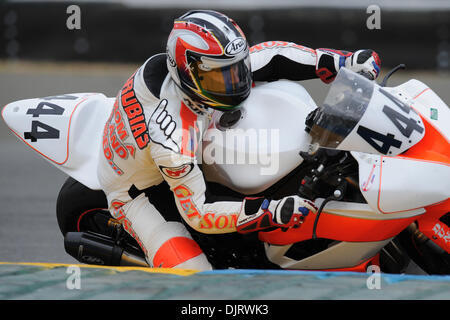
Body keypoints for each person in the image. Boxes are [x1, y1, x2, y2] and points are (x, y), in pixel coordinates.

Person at [97, 9, 381, 270]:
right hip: (140, 191)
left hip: (190, 146)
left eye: (237, 69)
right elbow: (199, 211)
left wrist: (341, 61)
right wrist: (269, 211)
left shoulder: (210, 66)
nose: (235, 82)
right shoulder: (172, 136)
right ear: (189, 74)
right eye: (222, 78)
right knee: (194, 277)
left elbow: (273, 56)